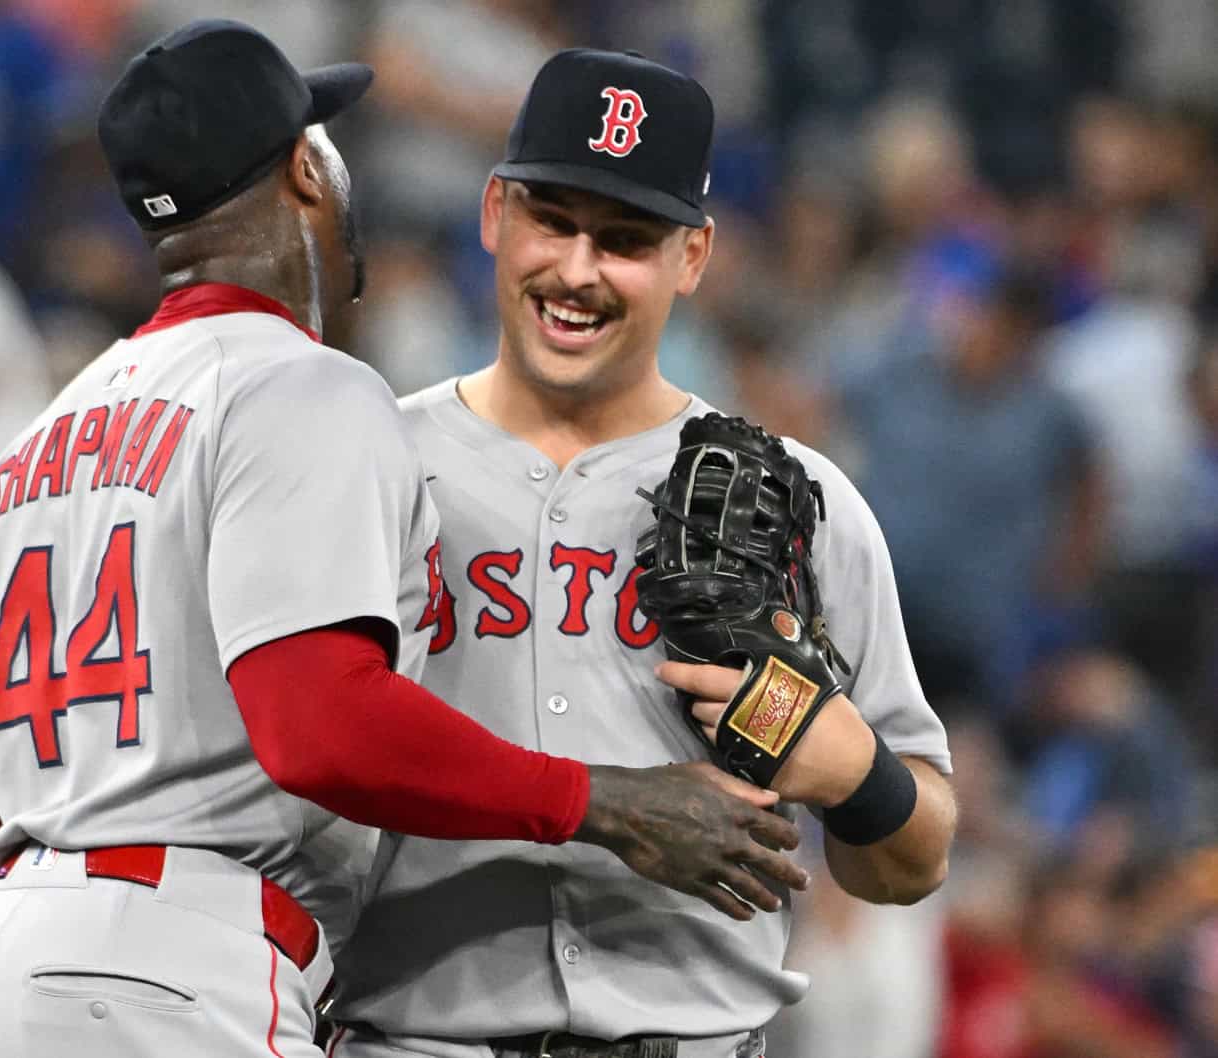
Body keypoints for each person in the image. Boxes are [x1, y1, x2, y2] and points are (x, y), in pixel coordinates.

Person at [0, 23, 811, 1058]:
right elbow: (319, 729)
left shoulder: (33, 447)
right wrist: (603, 800)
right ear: (303, 169)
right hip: (166, 977)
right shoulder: (297, 383)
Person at [327, 48, 958, 1058]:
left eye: (624, 239)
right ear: (494, 212)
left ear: (693, 256)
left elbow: (911, 862)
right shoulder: (366, 461)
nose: (577, 272)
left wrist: (859, 775)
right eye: (553, 221)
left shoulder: (798, 498)